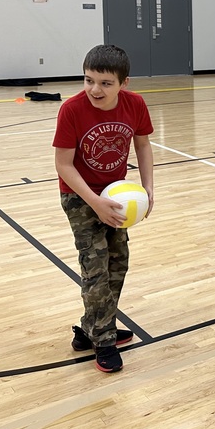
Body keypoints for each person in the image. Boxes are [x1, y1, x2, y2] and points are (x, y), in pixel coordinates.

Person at [53, 45, 154, 373]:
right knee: (95, 268)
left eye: (105, 83)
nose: (95, 89)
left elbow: (142, 144)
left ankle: (89, 329)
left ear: (124, 83)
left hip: (115, 194)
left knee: (117, 263)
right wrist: (94, 203)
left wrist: (149, 188)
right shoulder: (71, 110)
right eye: (89, 80)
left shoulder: (135, 104)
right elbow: (63, 165)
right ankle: (104, 340)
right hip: (79, 195)